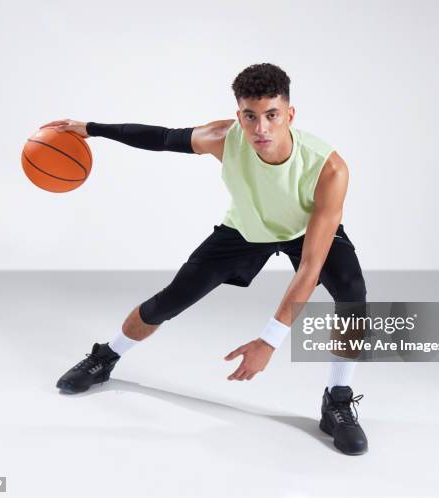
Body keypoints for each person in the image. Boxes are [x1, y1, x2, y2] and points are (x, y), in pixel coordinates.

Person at [44, 63, 368, 455]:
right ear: (239, 116)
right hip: (246, 229)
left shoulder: (328, 168)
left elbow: (310, 268)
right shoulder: (224, 137)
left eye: (272, 116)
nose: (260, 128)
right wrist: (92, 129)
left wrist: (269, 340)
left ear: (290, 115)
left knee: (353, 295)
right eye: (250, 116)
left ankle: (337, 399)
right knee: (169, 301)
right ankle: (105, 357)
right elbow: (163, 138)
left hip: (308, 231)